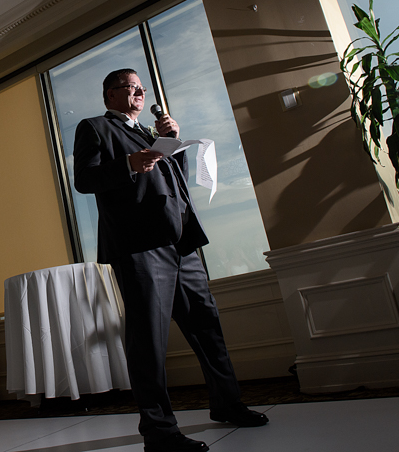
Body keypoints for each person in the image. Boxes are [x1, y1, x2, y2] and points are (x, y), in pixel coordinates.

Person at [73, 69, 267, 452]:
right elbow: (84, 179)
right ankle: (159, 431)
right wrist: (130, 164)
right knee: (148, 339)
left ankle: (227, 404)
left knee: (207, 325)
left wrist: (171, 142)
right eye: (131, 88)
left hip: (181, 242)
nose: (139, 94)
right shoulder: (94, 127)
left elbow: (176, 181)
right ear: (109, 94)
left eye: (141, 89)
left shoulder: (151, 133)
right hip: (140, 246)